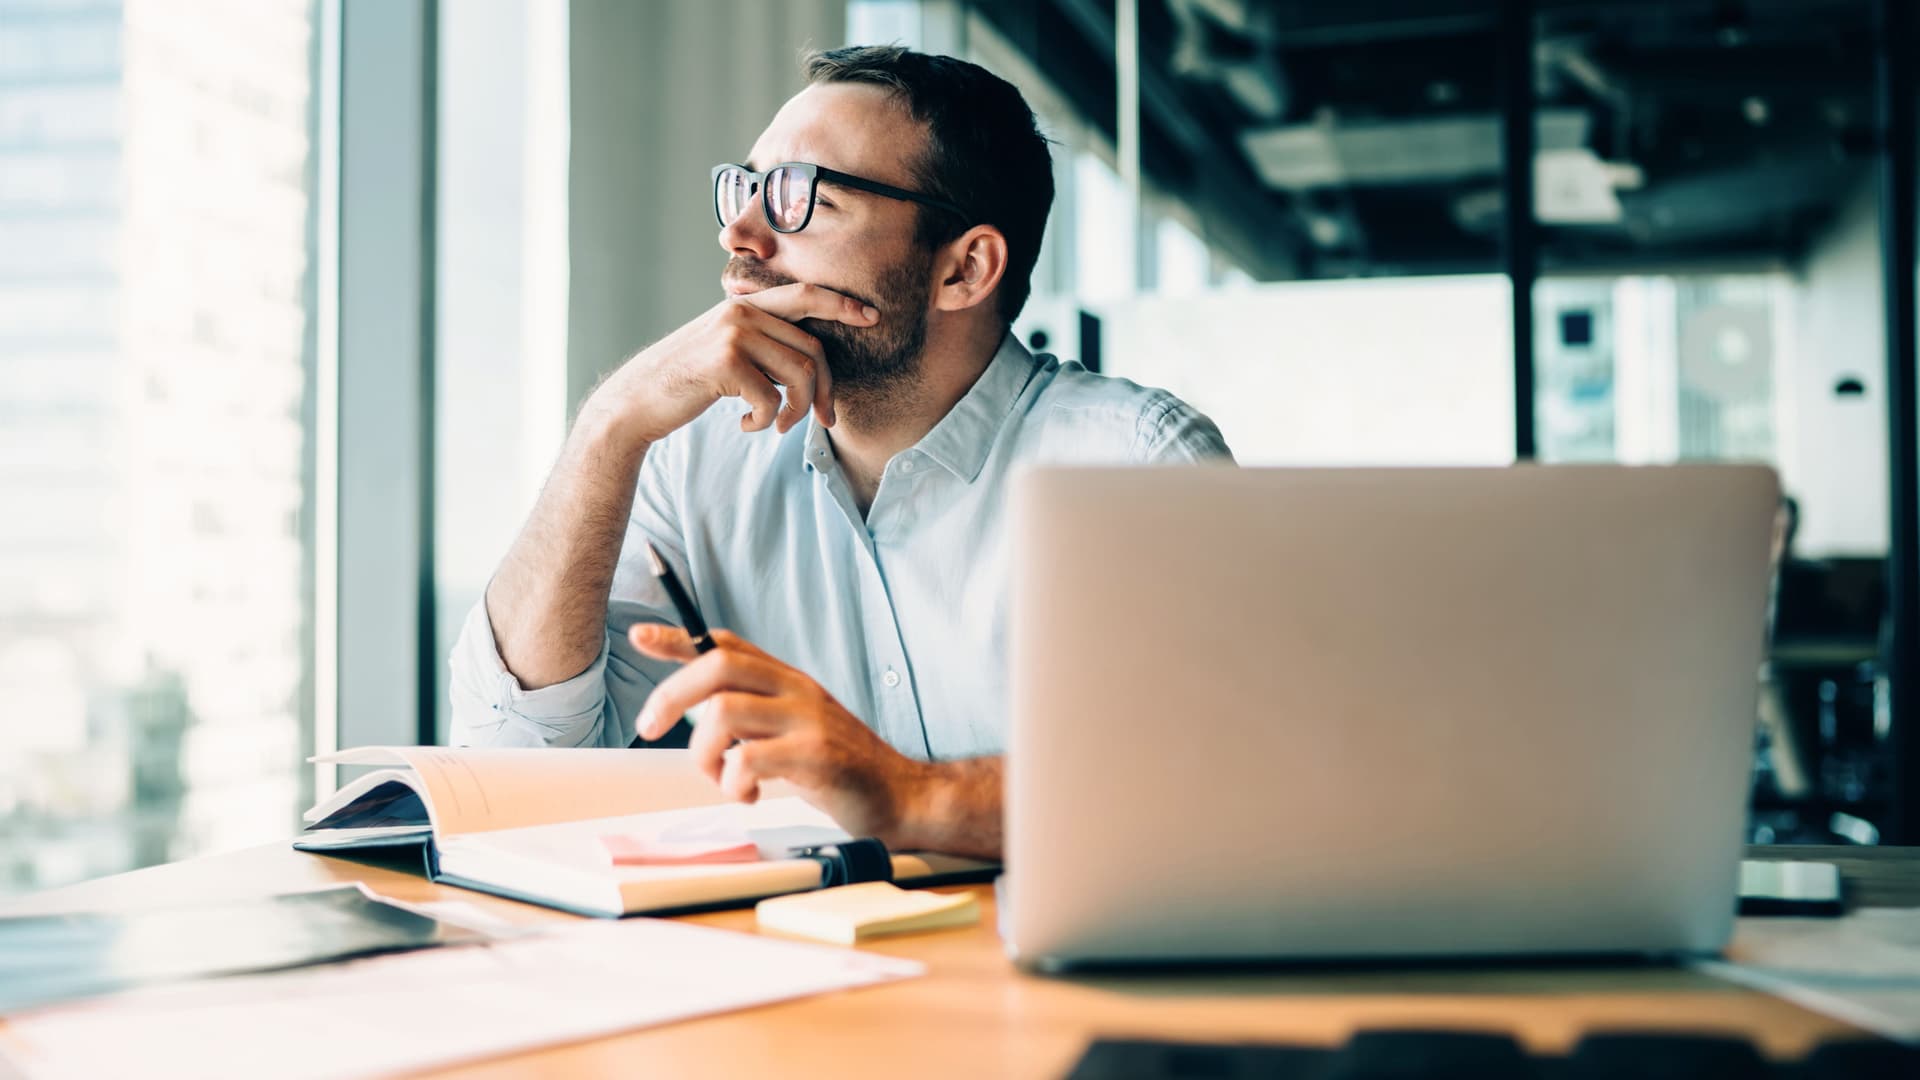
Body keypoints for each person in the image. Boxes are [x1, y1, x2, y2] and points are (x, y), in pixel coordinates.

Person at [450, 45, 1232, 860]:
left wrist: (904, 794)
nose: (740, 232)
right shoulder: (691, 460)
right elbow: (516, 755)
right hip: (793, 966)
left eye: (800, 197)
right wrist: (607, 426)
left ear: (964, 269)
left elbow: (1223, 786)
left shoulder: (1138, 464)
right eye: (747, 186)